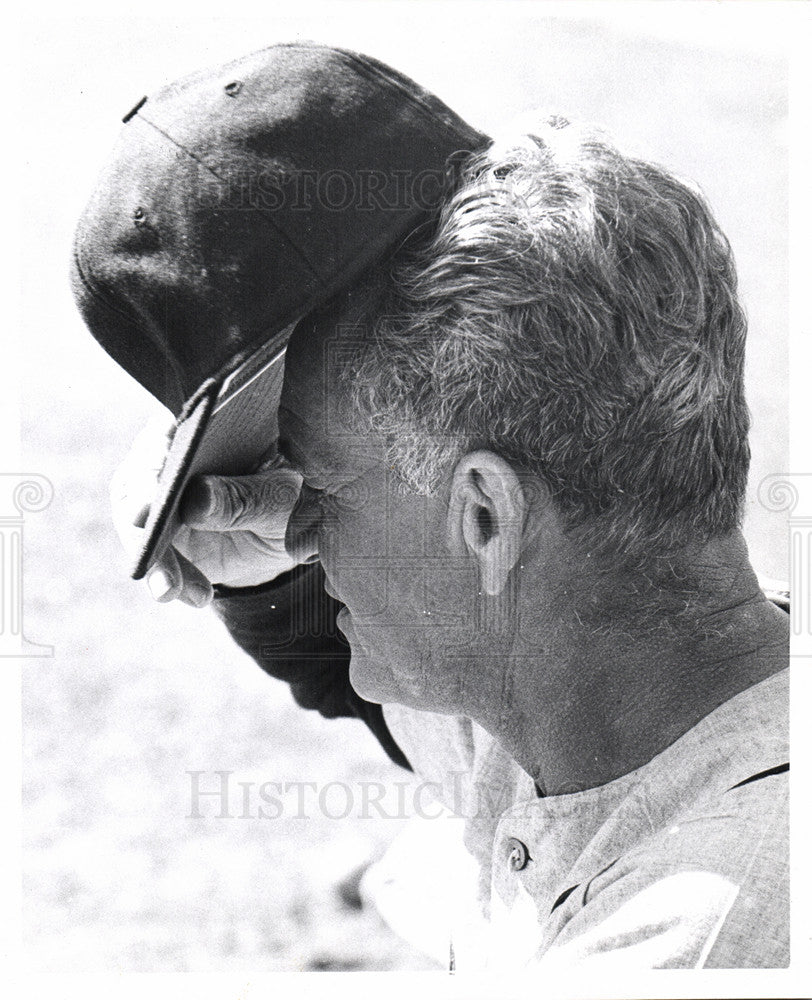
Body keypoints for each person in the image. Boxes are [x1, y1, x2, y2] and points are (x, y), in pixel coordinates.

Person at [73, 44, 789, 970]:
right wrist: (265, 582)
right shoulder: (600, 690)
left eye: (319, 490)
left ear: (486, 515)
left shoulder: (695, 942)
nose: (297, 530)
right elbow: (384, 679)